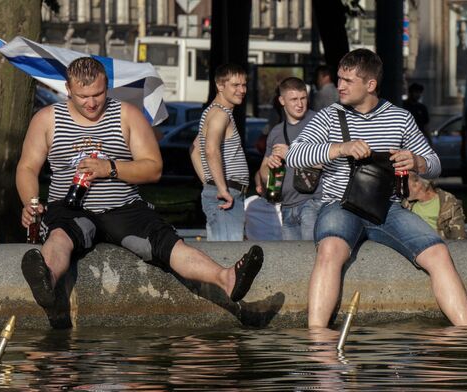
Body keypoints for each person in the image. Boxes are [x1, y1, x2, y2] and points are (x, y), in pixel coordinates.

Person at [17, 57, 263, 329]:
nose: (91, 103)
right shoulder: (46, 119)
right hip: (69, 207)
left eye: (98, 94)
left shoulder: (127, 114)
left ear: (107, 86)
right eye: (82, 96)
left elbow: (153, 168)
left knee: (167, 243)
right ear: (67, 89)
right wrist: (32, 203)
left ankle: (226, 278)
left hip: (123, 206)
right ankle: (46, 280)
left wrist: (109, 168)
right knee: (60, 236)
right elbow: (27, 167)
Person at [285, 48, 467, 328]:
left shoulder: (400, 118)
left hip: (387, 208)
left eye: (348, 81)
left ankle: (466, 335)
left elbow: (435, 164)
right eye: (339, 78)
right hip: (340, 205)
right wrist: (339, 148)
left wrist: (417, 161)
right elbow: (294, 155)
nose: (339, 85)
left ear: (370, 84)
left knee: (438, 253)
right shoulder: (328, 116)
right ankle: (319, 339)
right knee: (330, 250)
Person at [259, 77, 323, 240]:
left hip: (312, 202)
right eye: (294, 99)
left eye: (303, 98)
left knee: (311, 257)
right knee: (292, 261)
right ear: (282, 100)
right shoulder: (276, 132)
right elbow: (263, 172)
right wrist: (271, 166)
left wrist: (292, 153)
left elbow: (329, 159)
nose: (300, 104)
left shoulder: (319, 122)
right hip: (286, 206)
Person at [194, 63, 249, 241]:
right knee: (228, 257)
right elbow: (210, 149)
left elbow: (194, 150)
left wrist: (208, 182)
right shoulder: (220, 114)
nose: (241, 90)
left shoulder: (213, 112)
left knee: (224, 255)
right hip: (226, 196)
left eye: (244, 84)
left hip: (223, 192)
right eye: (235, 85)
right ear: (219, 86)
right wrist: (221, 188)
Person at [402, 172, 467, 240]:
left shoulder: (449, 203)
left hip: (439, 246)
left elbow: (459, 237)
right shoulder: (405, 204)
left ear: (418, 184)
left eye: (405, 184)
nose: (403, 189)